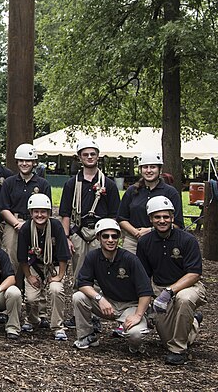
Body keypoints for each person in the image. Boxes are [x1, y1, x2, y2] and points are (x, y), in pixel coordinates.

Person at [137, 196, 206, 365]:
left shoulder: (187, 240)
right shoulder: (145, 242)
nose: (162, 220)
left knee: (184, 300)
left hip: (189, 286)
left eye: (166, 216)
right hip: (160, 288)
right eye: (157, 217)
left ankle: (179, 351)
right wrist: (143, 303)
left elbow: (194, 274)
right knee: (167, 339)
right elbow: (143, 275)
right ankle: (193, 322)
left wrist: (169, 291)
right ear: (151, 219)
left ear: (172, 217)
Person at [72, 218, 153, 352]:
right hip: (108, 302)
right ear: (98, 237)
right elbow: (82, 283)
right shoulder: (93, 257)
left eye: (114, 236)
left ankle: (135, 346)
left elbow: (146, 292)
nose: (110, 240)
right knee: (79, 297)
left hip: (130, 306)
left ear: (119, 238)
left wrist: (138, 315)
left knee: (136, 334)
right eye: (106, 236)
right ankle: (87, 336)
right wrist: (100, 299)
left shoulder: (130, 259)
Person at [59, 138, 120, 281]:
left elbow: (114, 214)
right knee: (79, 273)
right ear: (80, 157)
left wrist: (109, 236)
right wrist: (66, 238)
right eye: (85, 154)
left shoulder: (108, 184)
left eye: (93, 154)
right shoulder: (71, 184)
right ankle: (78, 300)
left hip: (101, 233)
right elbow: (65, 213)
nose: (89, 157)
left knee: (102, 273)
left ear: (98, 156)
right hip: (79, 232)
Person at [18, 193, 70, 341]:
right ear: (30, 213)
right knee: (31, 298)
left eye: (43, 211)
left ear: (49, 213)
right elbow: (22, 257)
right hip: (34, 265)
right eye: (36, 211)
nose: (39, 215)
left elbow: (63, 255)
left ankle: (57, 326)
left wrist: (59, 276)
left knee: (56, 290)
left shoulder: (56, 226)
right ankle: (32, 320)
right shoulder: (26, 228)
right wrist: (29, 276)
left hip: (53, 266)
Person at [0, 143, 52, 288]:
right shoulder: (9, 182)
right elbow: (3, 208)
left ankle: (34, 292)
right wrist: (17, 223)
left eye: (28, 161)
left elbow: (48, 209)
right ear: (17, 162)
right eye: (21, 161)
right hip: (13, 222)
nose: (24, 164)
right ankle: (13, 291)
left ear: (34, 162)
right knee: (12, 255)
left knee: (37, 256)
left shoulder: (43, 184)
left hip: (37, 223)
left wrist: (30, 224)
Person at [118, 151, 184, 254]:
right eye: (145, 167)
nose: (149, 171)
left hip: (161, 241)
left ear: (159, 169)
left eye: (153, 167)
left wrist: (150, 230)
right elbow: (122, 218)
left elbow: (177, 224)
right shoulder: (132, 191)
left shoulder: (170, 192)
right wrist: (136, 233)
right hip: (133, 242)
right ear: (140, 170)